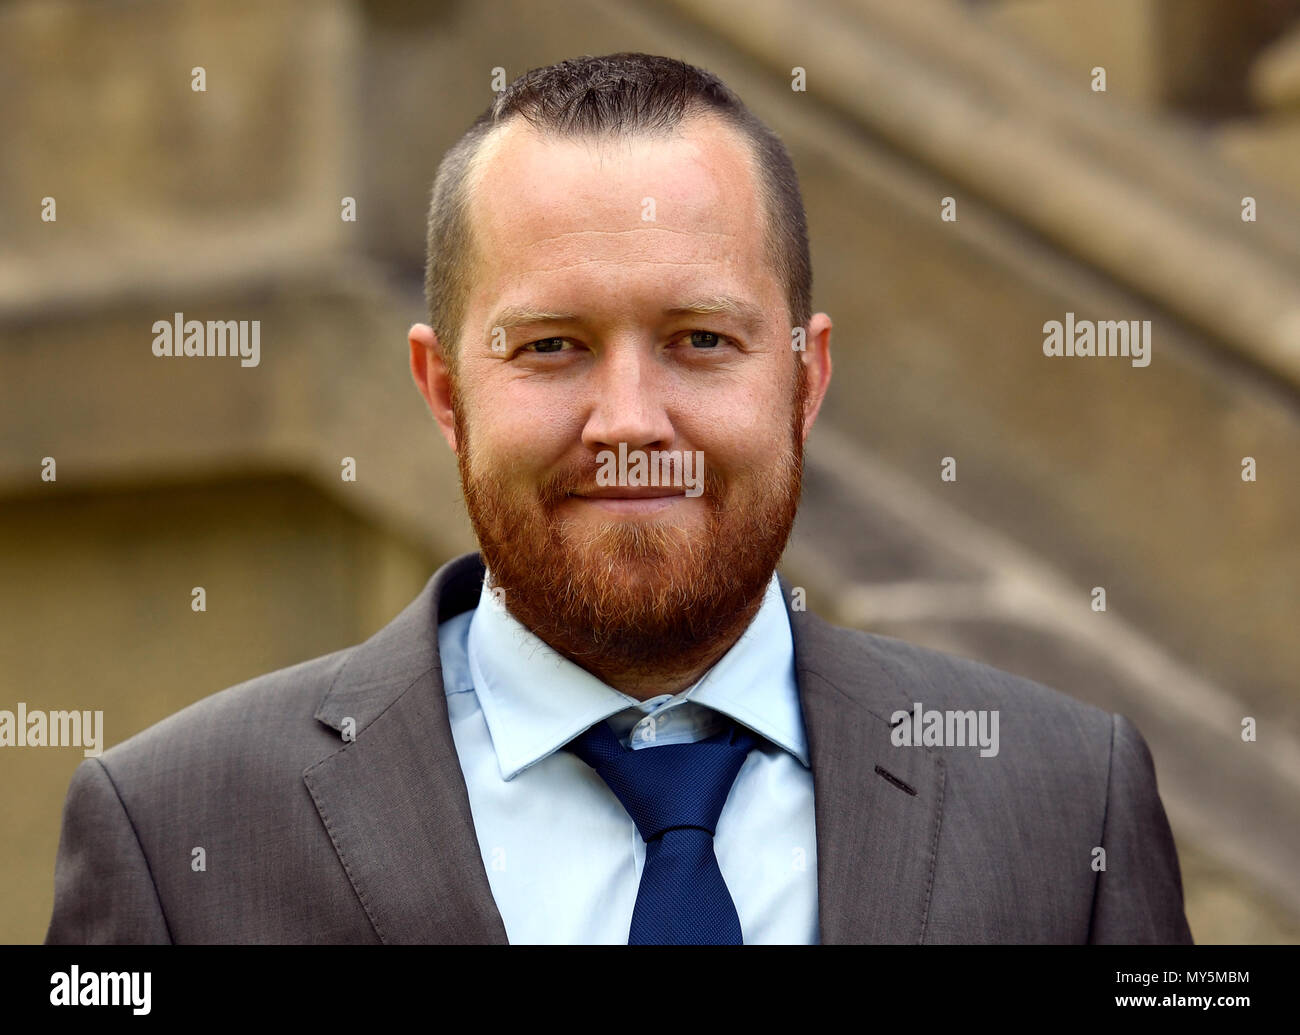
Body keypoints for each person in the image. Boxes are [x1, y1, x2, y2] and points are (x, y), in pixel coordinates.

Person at [45, 52, 1192, 945]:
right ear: (443, 391)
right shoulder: (174, 832)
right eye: (552, 346)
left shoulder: (1062, 801)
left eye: (700, 339)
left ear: (806, 375)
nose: (630, 419)